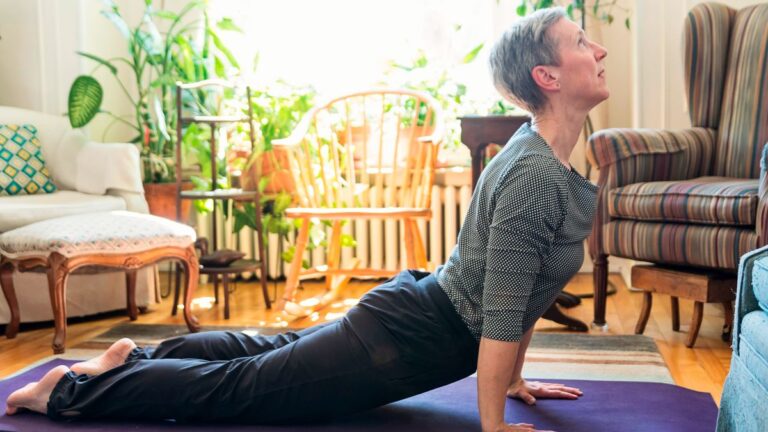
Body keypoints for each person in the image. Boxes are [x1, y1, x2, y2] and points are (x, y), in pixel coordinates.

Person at [6, 7, 608, 432]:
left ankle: (128, 360)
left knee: (268, 354)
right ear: (546, 77)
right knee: (243, 390)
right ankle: (66, 391)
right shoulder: (533, 171)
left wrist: (511, 382)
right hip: (406, 340)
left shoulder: (540, 155)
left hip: (413, 321)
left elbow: (522, 292)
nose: (599, 50)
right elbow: (504, 307)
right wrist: (494, 425)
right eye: (583, 43)